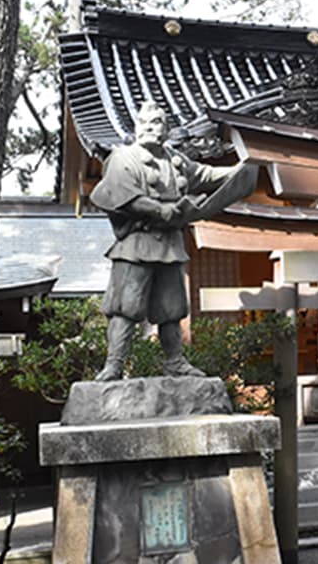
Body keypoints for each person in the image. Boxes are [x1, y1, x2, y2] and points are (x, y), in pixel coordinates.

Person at [89, 100, 252, 380]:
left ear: (166, 129)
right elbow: (123, 195)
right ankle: (114, 364)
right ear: (137, 126)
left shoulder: (174, 159)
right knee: (125, 307)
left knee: (171, 308)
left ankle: (174, 361)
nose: (151, 128)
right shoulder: (122, 157)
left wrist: (242, 168)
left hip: (170, 243)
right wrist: (159, 210)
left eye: (158, 123)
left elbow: (206, 175)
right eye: (146, 122)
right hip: (136, 243)